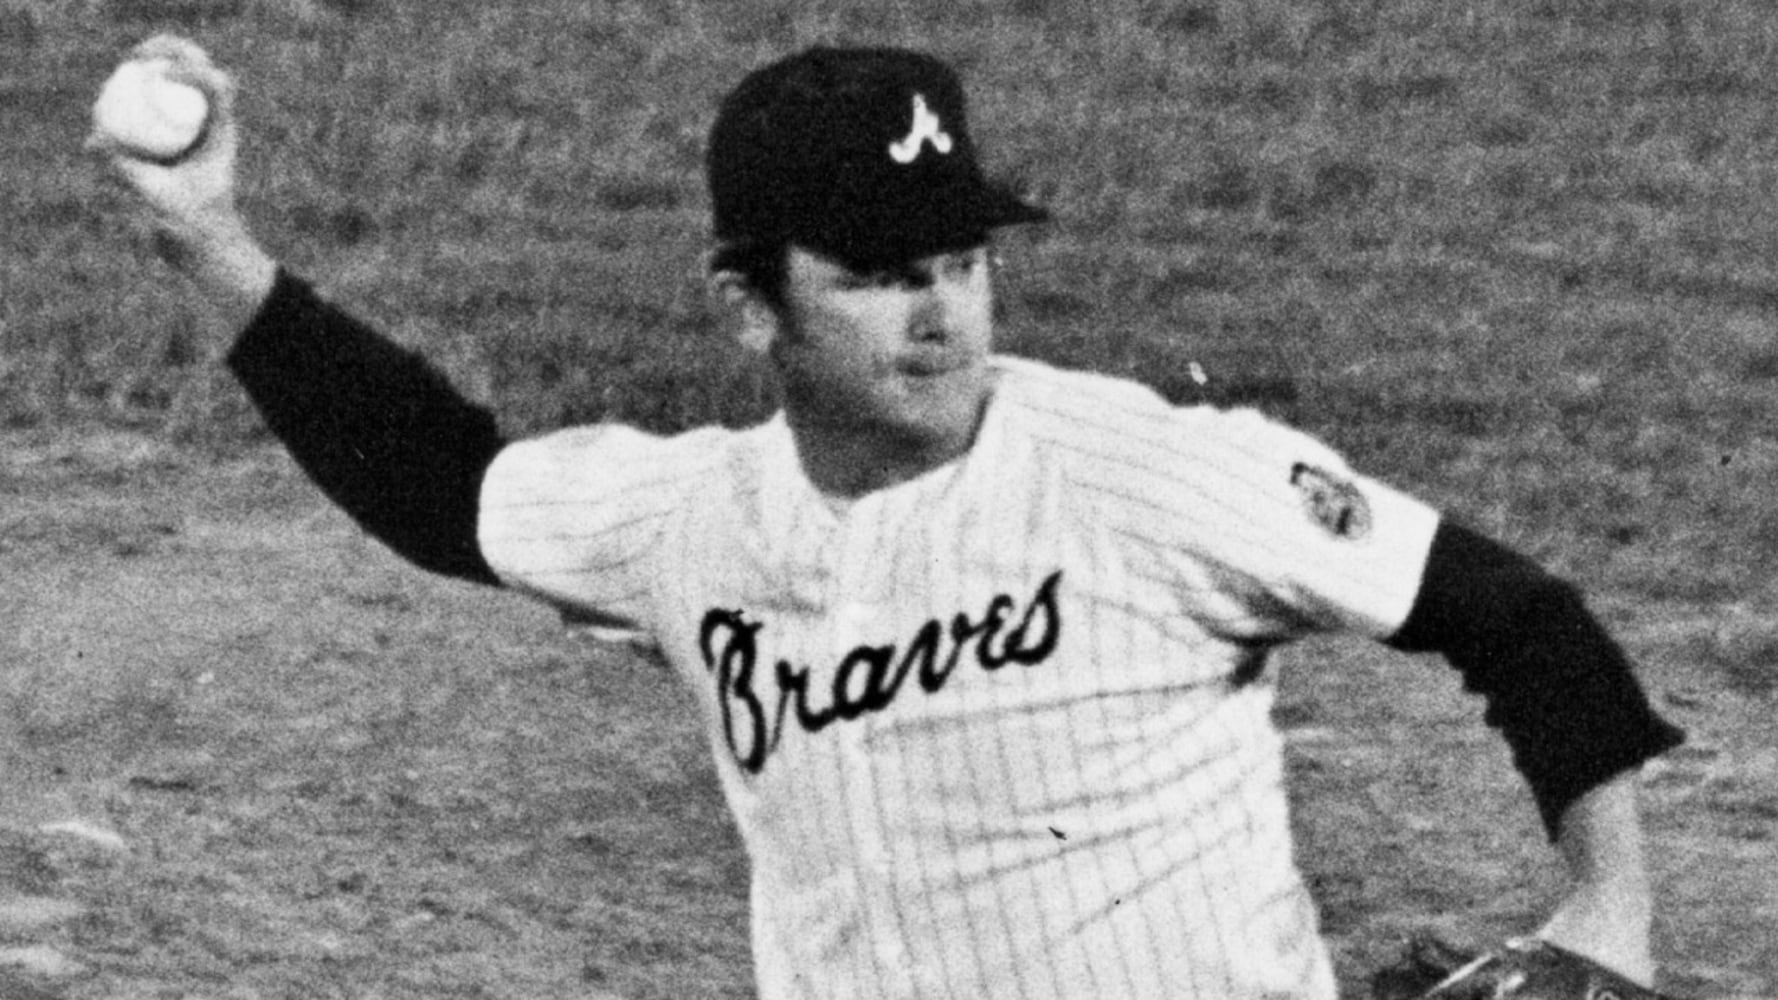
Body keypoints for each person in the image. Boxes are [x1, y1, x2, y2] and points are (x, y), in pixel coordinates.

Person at [98, 35, 1684, 1000]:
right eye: (875, 277)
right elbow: (447, 494)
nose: (939, 317)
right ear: (748, 305)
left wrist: (1607, 912)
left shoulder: (1146, 474)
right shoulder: (691, 522)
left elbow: (1513, 616)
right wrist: (208, 242)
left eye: (959, 263)